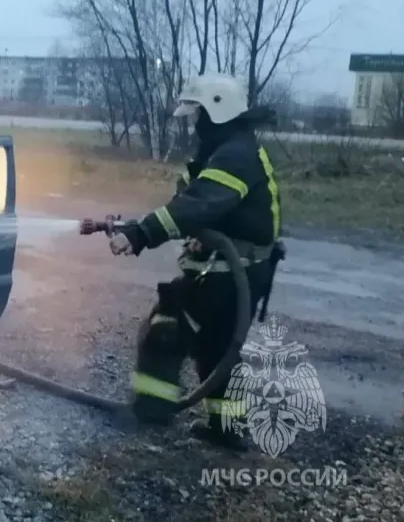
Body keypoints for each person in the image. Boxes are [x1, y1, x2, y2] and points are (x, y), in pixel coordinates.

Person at [108, 73, 281, 451]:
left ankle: (151, 413)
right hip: (237, 271)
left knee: (165, 331)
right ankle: (225, 429)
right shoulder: (228, 147)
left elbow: (197, 205)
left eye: (199, 113)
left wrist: (140, 234)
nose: (194, 122)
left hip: (229, 273)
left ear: (217, 111)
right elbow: (190, 197)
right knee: (218, 348)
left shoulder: (235, 155)